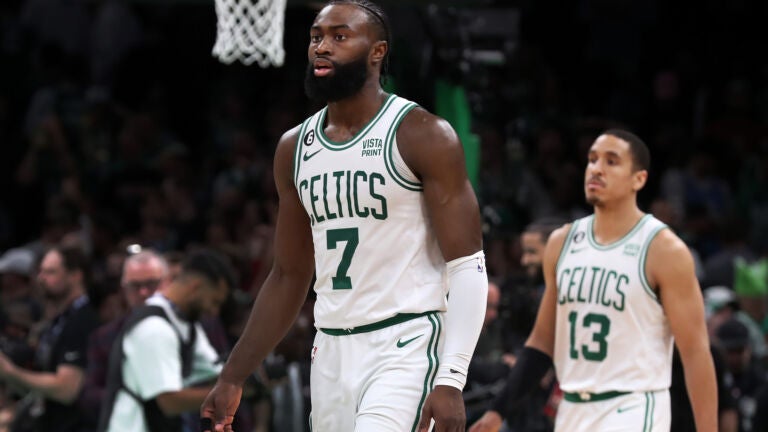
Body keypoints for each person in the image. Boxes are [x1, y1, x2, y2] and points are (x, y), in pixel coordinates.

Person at [200, 1, 488, 431]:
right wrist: (233, 374)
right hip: (330, 350)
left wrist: (451, 378)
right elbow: (287, 275)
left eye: (340, 36)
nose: (322, 47)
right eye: (316, 37)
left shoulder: (422, 134)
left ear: (377, 52)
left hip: (405, 343)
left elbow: (468, 266)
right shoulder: (294, 148)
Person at [470, 130, 718, 431]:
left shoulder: (663, 249)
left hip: (634, 407)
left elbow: (695, 353)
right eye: (592, 160)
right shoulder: (562, 242)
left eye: (611, 162)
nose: (596, 168)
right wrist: (499, 410)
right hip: (573, 408)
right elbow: (543, 342)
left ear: (638, 179)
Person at [97, 249, 233, 432]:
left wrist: (252, 376)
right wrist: (233, 393)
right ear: (196, 287)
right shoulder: (154, 327)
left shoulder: (186, 325)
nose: (214, 312)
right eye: (214, 301)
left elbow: (217, 370)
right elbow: (169, 401)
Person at [0, 245, 100, 432]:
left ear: (75, 276)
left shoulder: (83, 321)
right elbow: (39, 385)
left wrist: (10, 371)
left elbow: (67, 389)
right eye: (41, 272)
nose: (41, 278)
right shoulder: (58, 322)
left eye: (51, 272)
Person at [79, 249, 172, 427]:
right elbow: (89, 395)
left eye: (152, 284)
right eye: (135, 286)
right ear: (124, 289)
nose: (144, 292)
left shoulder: (194, 326)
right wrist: (134, 397)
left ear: (167, 283)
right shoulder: (104, 337)